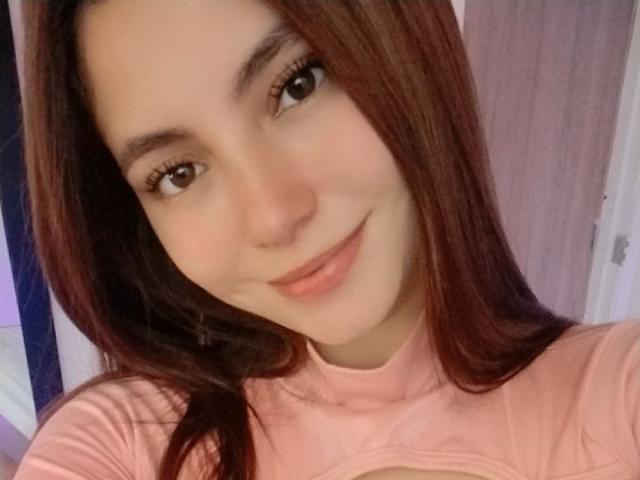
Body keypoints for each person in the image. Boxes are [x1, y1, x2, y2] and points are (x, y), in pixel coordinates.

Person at [12, 1, 640, 479]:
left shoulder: (615, 399)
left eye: (298, 85)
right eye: (178, 174)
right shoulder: (125, 442)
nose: (272, 217)